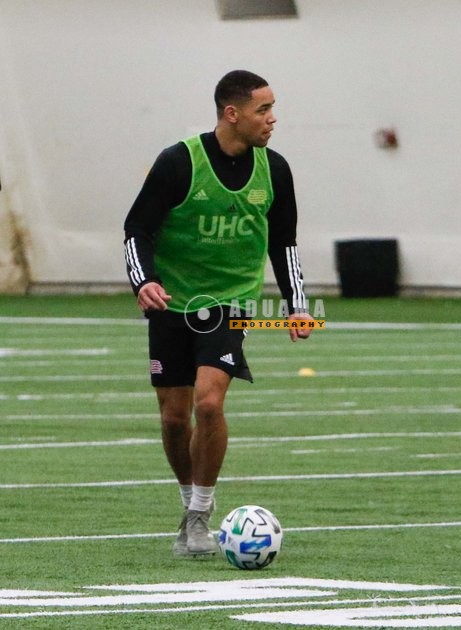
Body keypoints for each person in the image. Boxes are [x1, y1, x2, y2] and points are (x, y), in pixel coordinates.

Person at [123, 69, 313, 557]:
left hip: (231, 302)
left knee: (208, 403)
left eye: (272, 108)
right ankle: (188, 501)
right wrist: (144, 281)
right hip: (173, 301)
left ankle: (200, 514)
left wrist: (296, 303)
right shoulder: (178, 162)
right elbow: (136, 228)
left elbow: (284, 242)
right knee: (173, 417)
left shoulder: (276, 170)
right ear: (232, 114)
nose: (272, 119)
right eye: (263, 109)